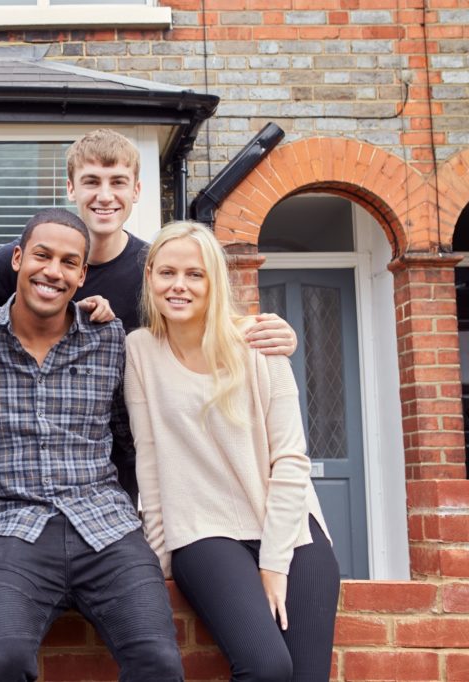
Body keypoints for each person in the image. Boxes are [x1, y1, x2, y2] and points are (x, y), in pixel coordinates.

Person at [0, 128, 297, 503]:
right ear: (71, 188)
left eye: (118, 182)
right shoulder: (33, 257)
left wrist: (265, 331)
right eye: (91, 181)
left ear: (136, 191)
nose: (104, 196)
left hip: (123, 462)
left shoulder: (153, 270)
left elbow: (205, 325)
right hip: (29, 466)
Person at [0, 208, 185, 682]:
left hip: (106, 527)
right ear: (17, 259)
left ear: (81, 275)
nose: (52, 271)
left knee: (159, 663)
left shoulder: (109, 338)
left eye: (68, 262)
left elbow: (133, 434)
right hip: (14, 529)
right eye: (42, 255)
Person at [125, 221, 341, 682]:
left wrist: (274, 564)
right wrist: (159, 565)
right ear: (150, 278)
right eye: (167, 273)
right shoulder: (140, 351)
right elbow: (151, 462)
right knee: (266, 668)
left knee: (305, 676)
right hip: (203, 533)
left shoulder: (260, 343)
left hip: (288, 529)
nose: (178, 285)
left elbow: (290, 460)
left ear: (214, 282)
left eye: (195, 274)